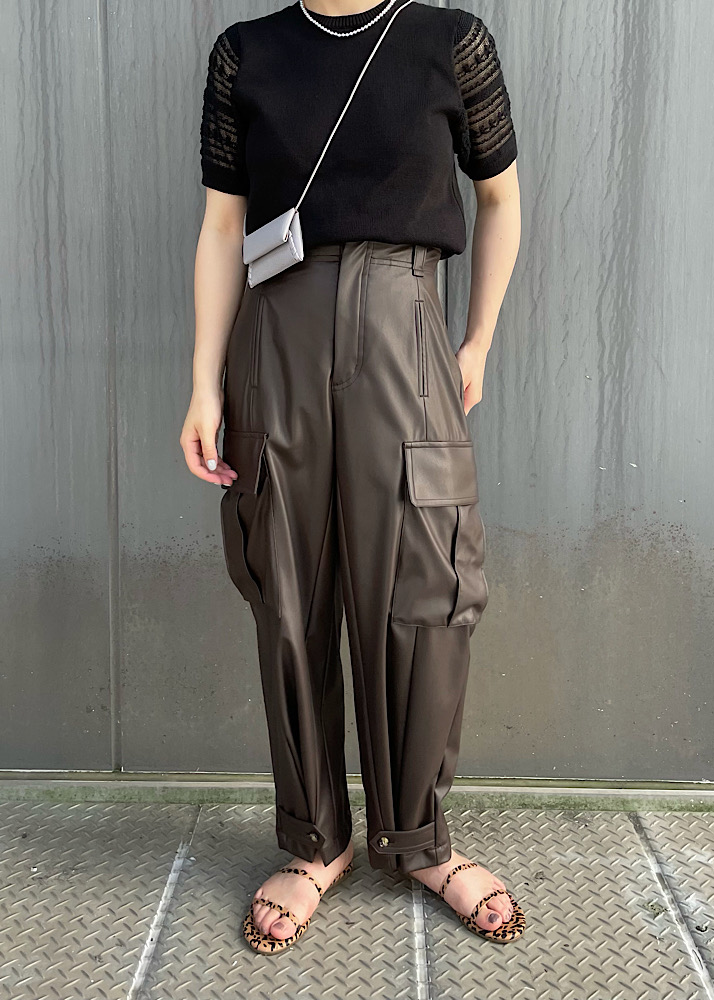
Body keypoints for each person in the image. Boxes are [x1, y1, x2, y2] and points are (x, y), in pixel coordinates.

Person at [180, 0, 523, 954]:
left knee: (426, 588)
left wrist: (478, 340)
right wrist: (203, 383)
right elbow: (222, 226)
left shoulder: (451, 42)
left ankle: (420, 841)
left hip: (405, 327)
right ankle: (314, 841)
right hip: (275, 340)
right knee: (287, 592)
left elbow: (500, 198)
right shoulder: (244, 54)